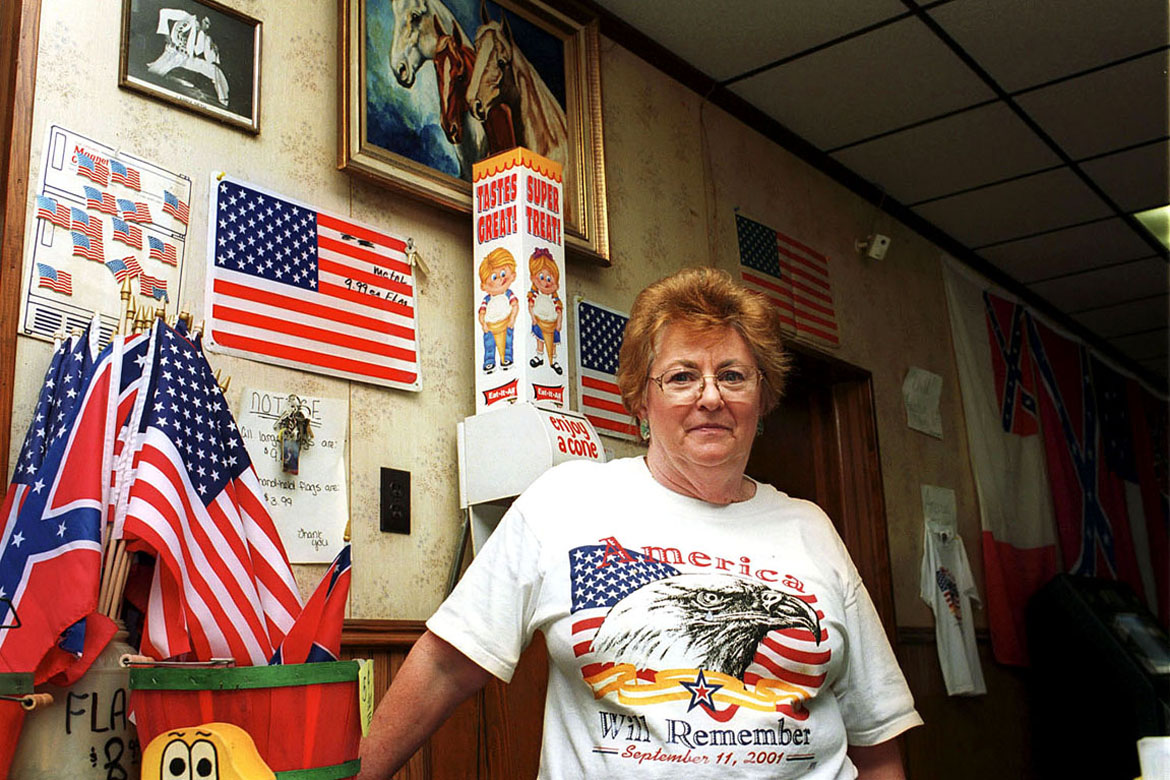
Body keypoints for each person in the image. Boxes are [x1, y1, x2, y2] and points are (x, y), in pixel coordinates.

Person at [359, 267, 922, 779]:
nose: (710, 396)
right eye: (681, 376)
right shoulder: (566, 501)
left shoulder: (812, 529)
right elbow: (443, 665)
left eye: (733, 375)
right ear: (639, 400)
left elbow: (877, 742)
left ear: (763, 398)